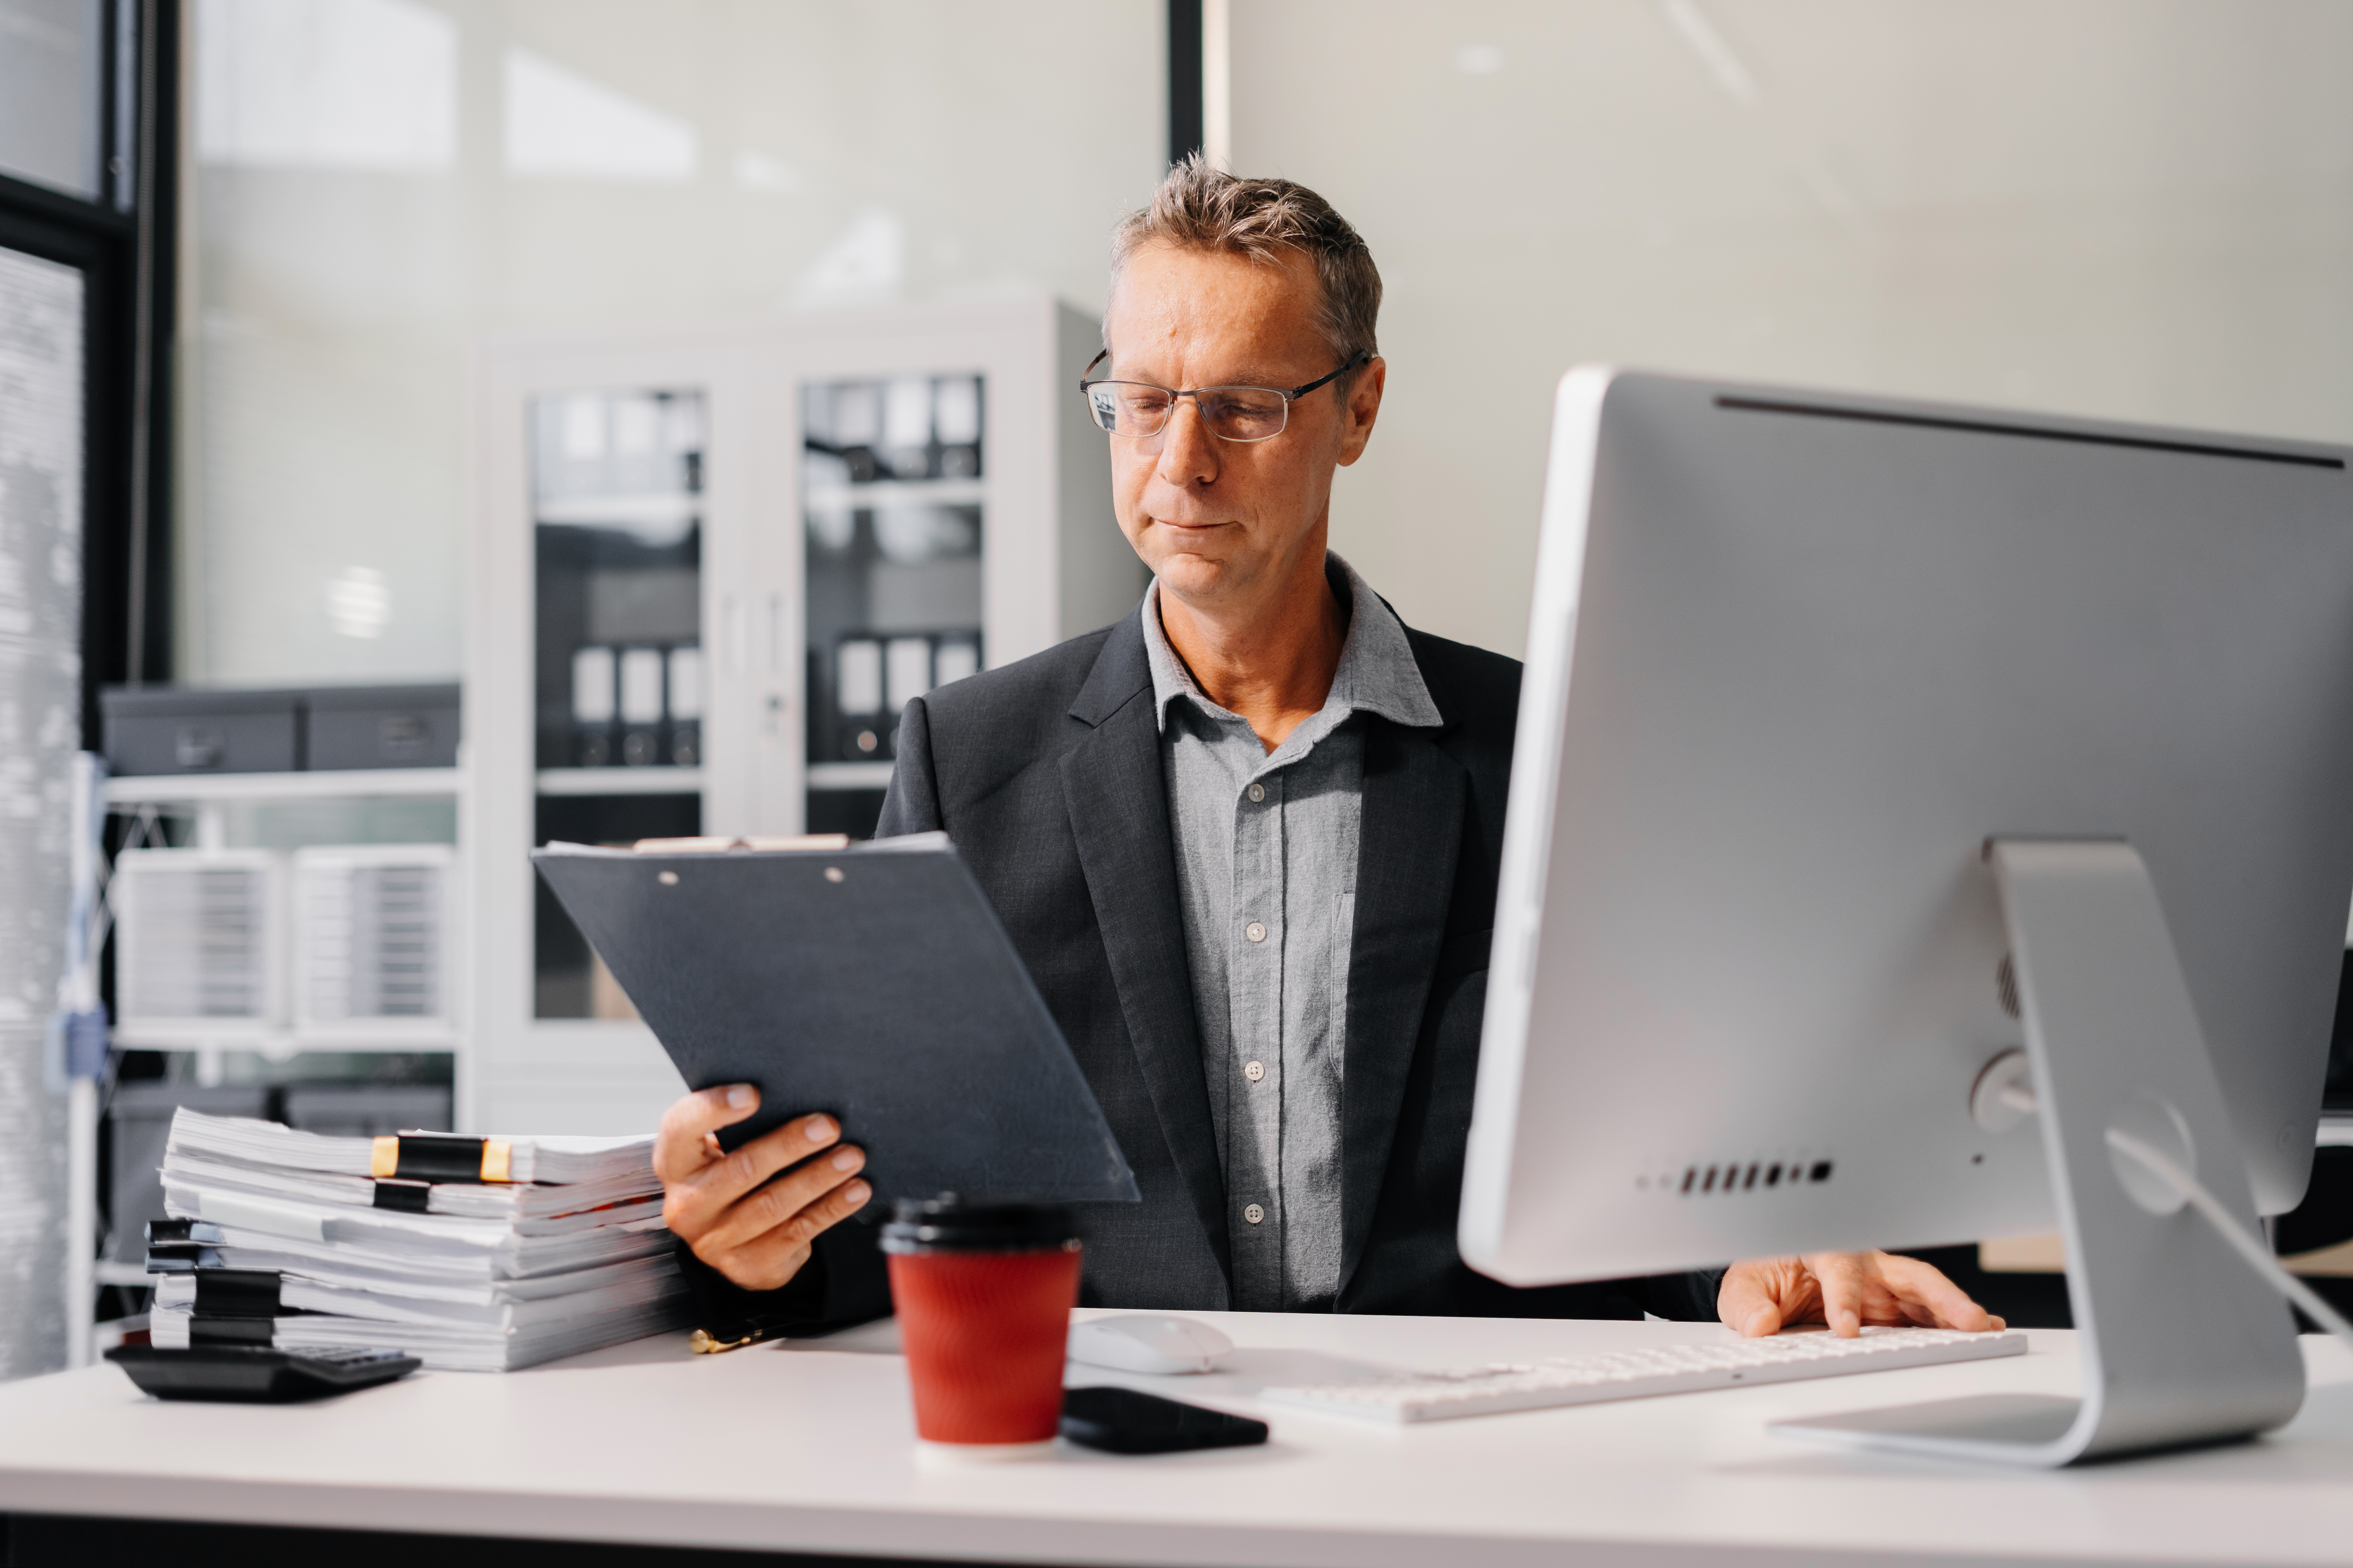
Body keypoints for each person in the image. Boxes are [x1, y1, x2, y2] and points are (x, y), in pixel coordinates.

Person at [653, 157, 2004, 1343]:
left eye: (1243, 407)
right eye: (1142, 398)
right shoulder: (970, 761)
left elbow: (1685, 1153)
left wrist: (1760, 1247)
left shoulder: (1546, 752)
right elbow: (887, 1206)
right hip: (1103, 1461)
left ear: (1356, 412)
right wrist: (749, 1246)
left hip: (1464, 1461)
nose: (1180, 463)